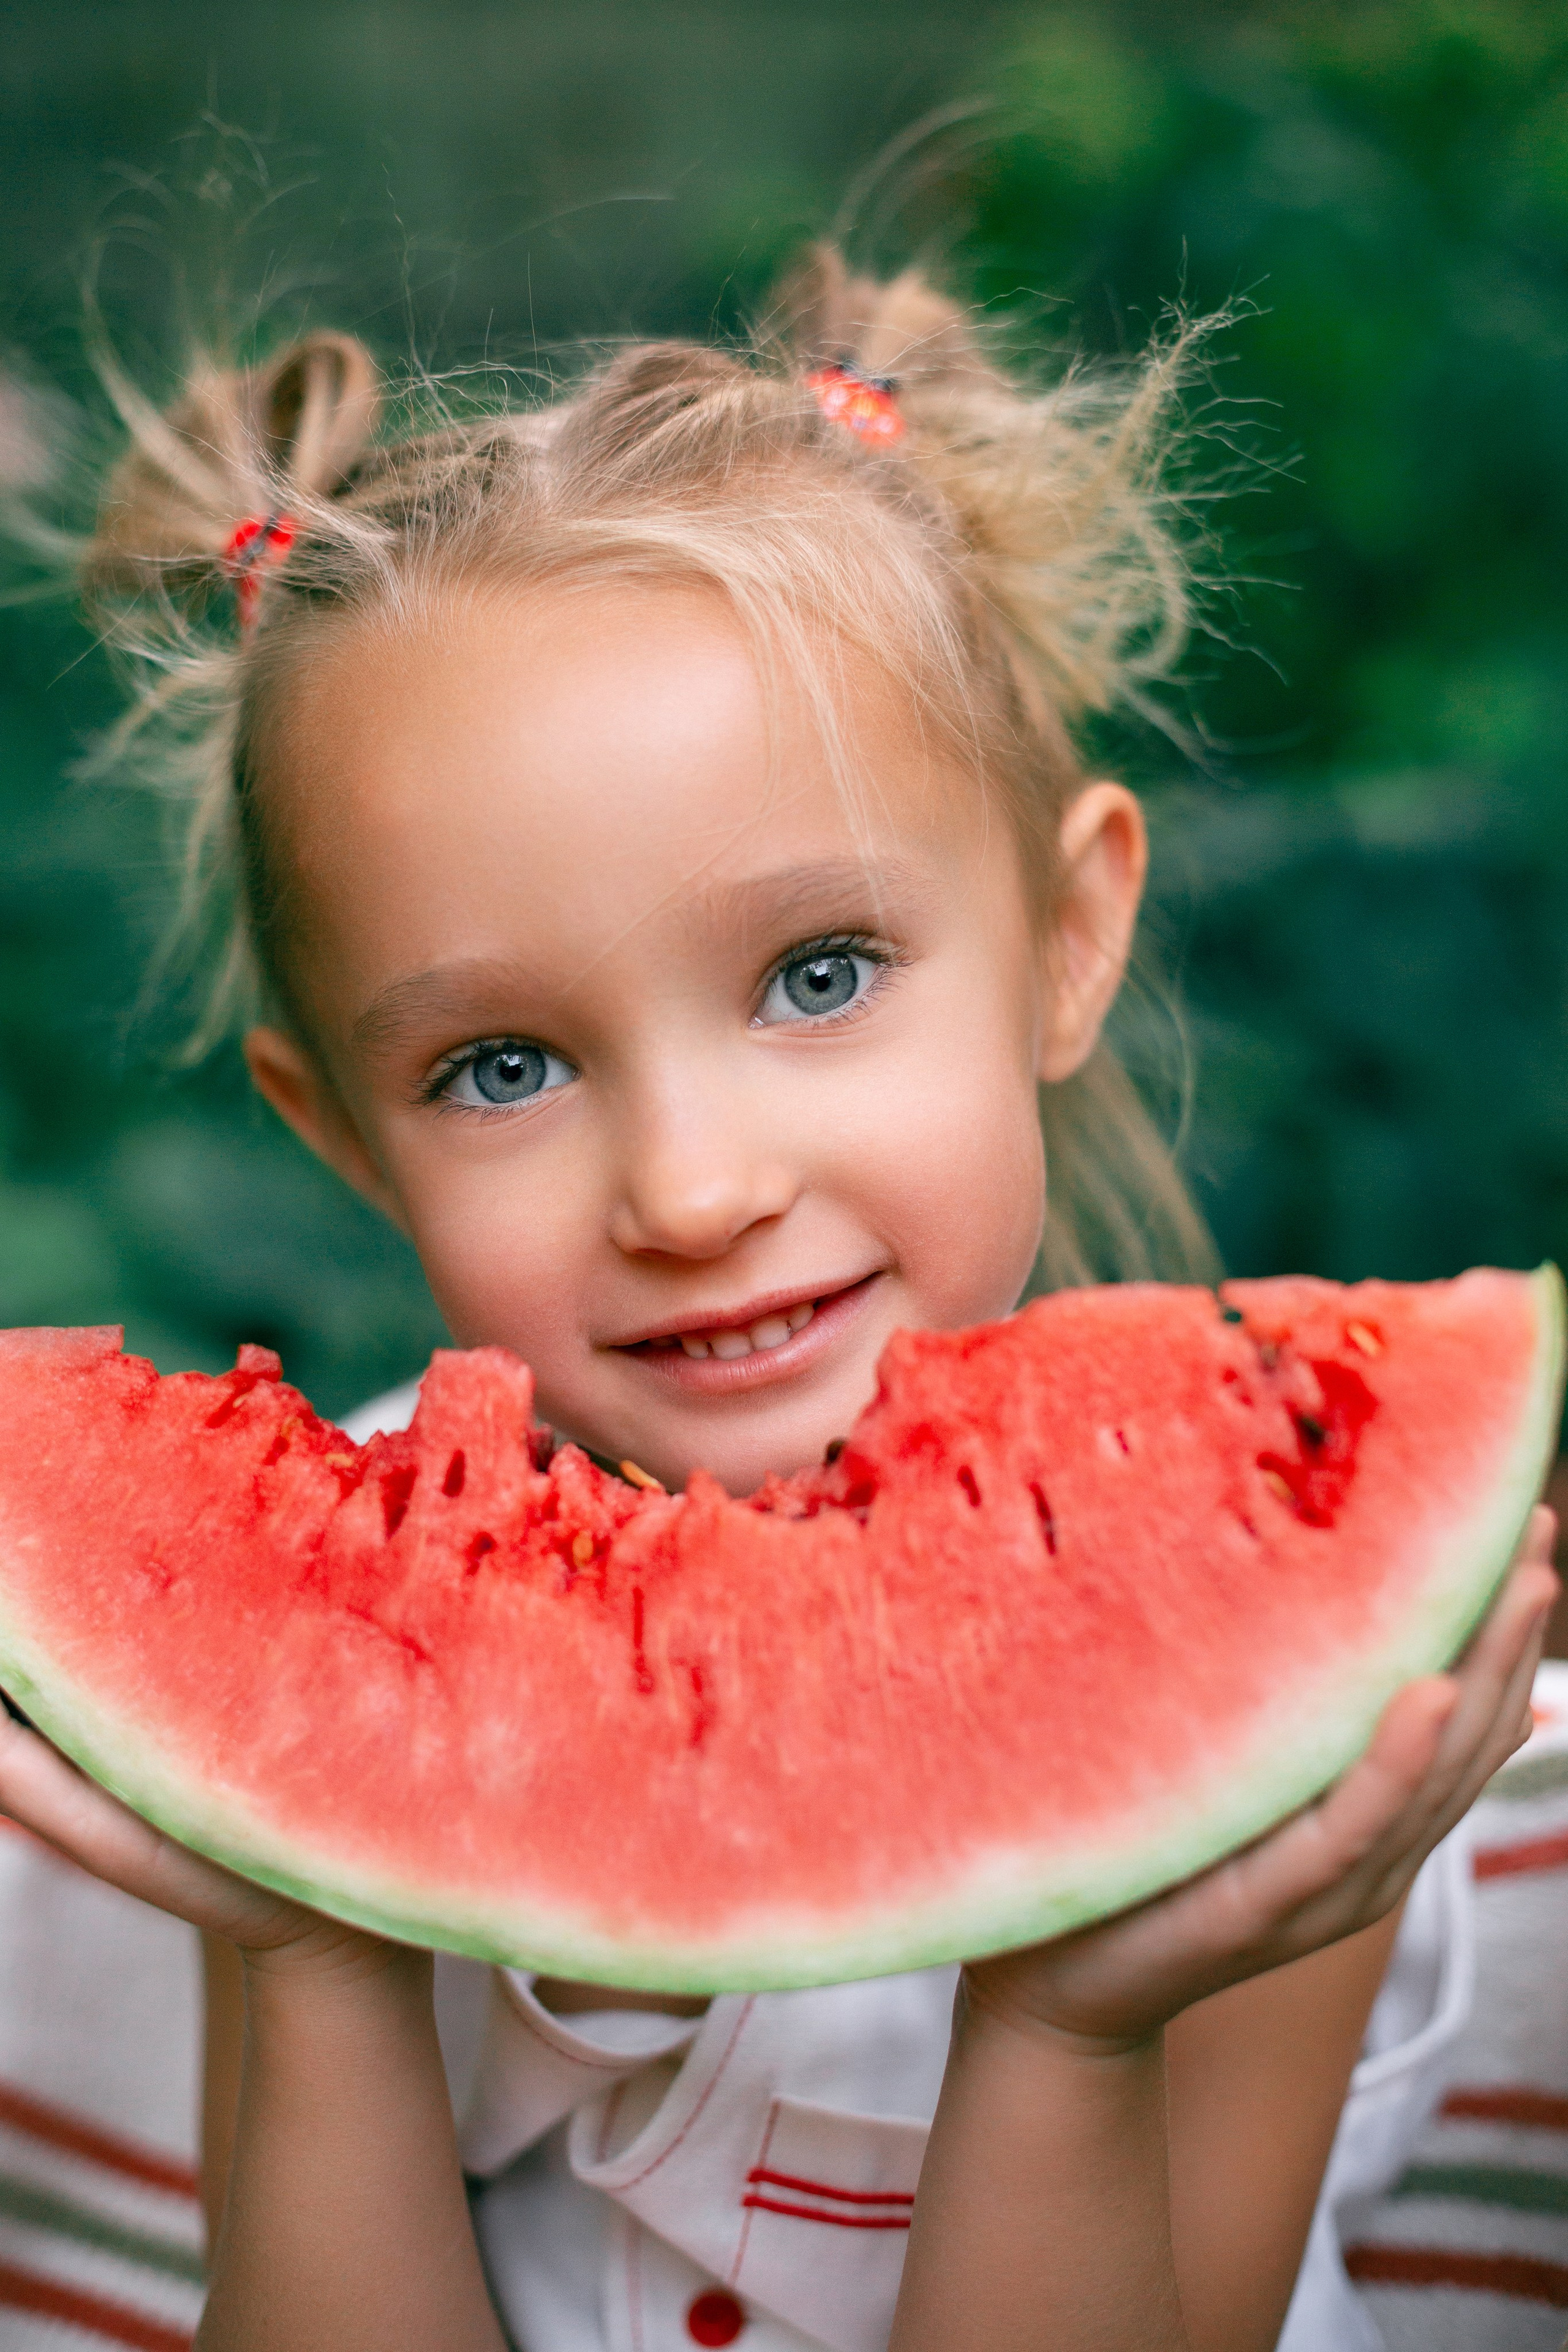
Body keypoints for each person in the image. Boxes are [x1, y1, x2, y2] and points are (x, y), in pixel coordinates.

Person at [0, 249, 1553, 2352]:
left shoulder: (1318, 1708)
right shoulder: (317, 1649)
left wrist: (1072, 2033)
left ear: (1072, 932)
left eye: (819, 975)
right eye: (500, 1068)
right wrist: (317, 1953)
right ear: (343, 1132)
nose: (694, 1189)